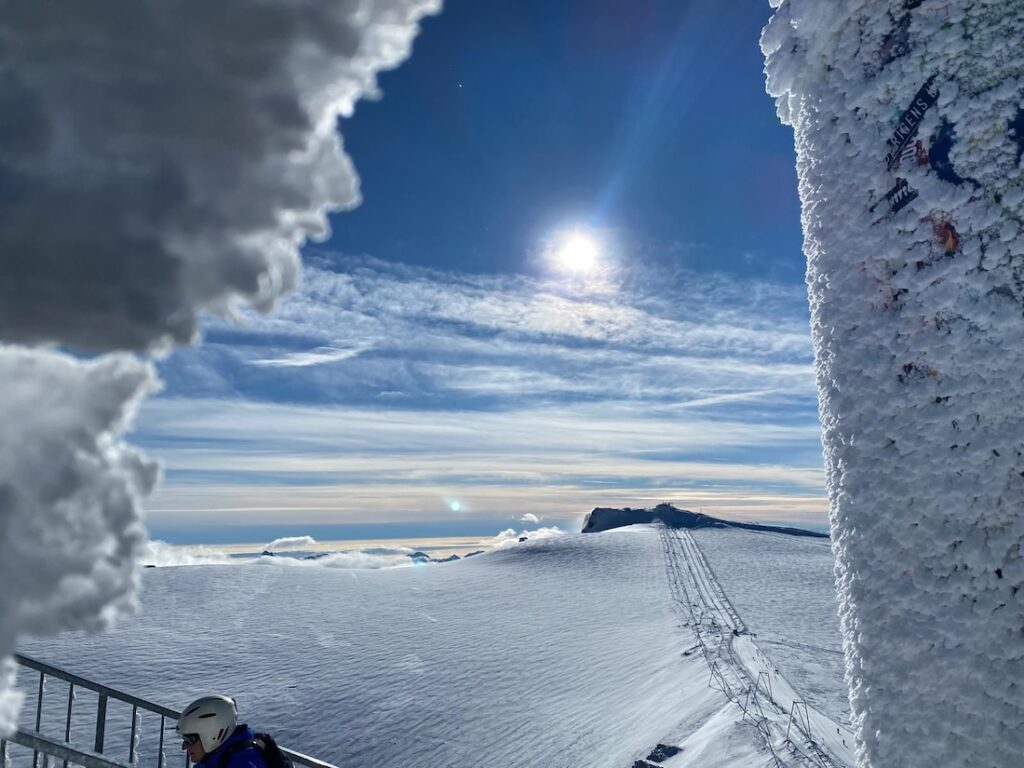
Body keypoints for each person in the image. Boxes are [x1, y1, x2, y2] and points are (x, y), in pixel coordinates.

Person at [176, 695, 268, 768]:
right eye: (184, 738)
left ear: (211, 735)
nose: (184, 747)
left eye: (189, 739)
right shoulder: (216, 758)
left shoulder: (241, 763)